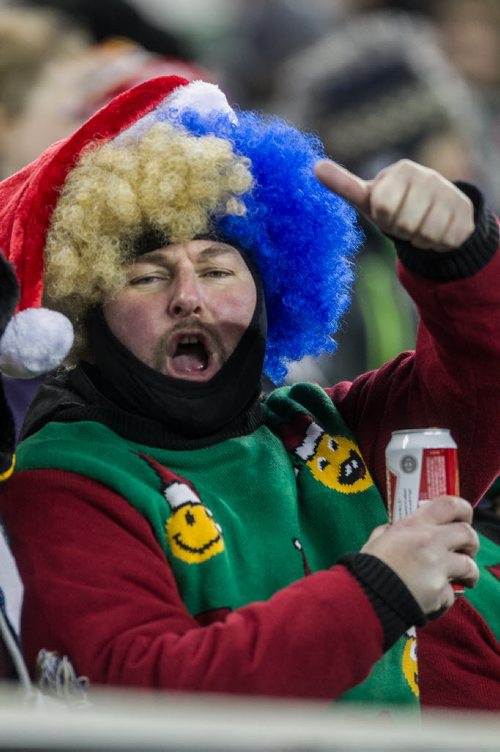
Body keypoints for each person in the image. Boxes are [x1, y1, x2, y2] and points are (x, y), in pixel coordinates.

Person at [0, 75, 498, 710]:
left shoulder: (321, 429)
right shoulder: (63, 479)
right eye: (148, 276)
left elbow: (481, 377)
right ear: (89, 310)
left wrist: (459, 258)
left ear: (270, 292)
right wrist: (377, 591)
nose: (189, 296)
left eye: (217, 269)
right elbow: (144, 694)